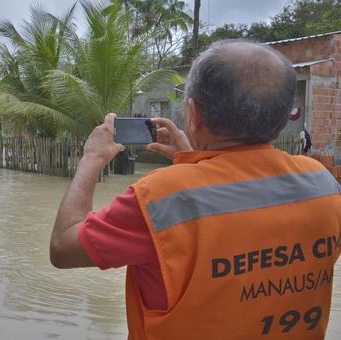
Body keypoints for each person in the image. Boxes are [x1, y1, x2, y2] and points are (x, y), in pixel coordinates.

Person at [49, 39, 341, 339]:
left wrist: (92, 158)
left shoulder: (158, 198)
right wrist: (191, 156)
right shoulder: (323, 184)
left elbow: (63, 248)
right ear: (282, 118)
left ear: (194, 114)